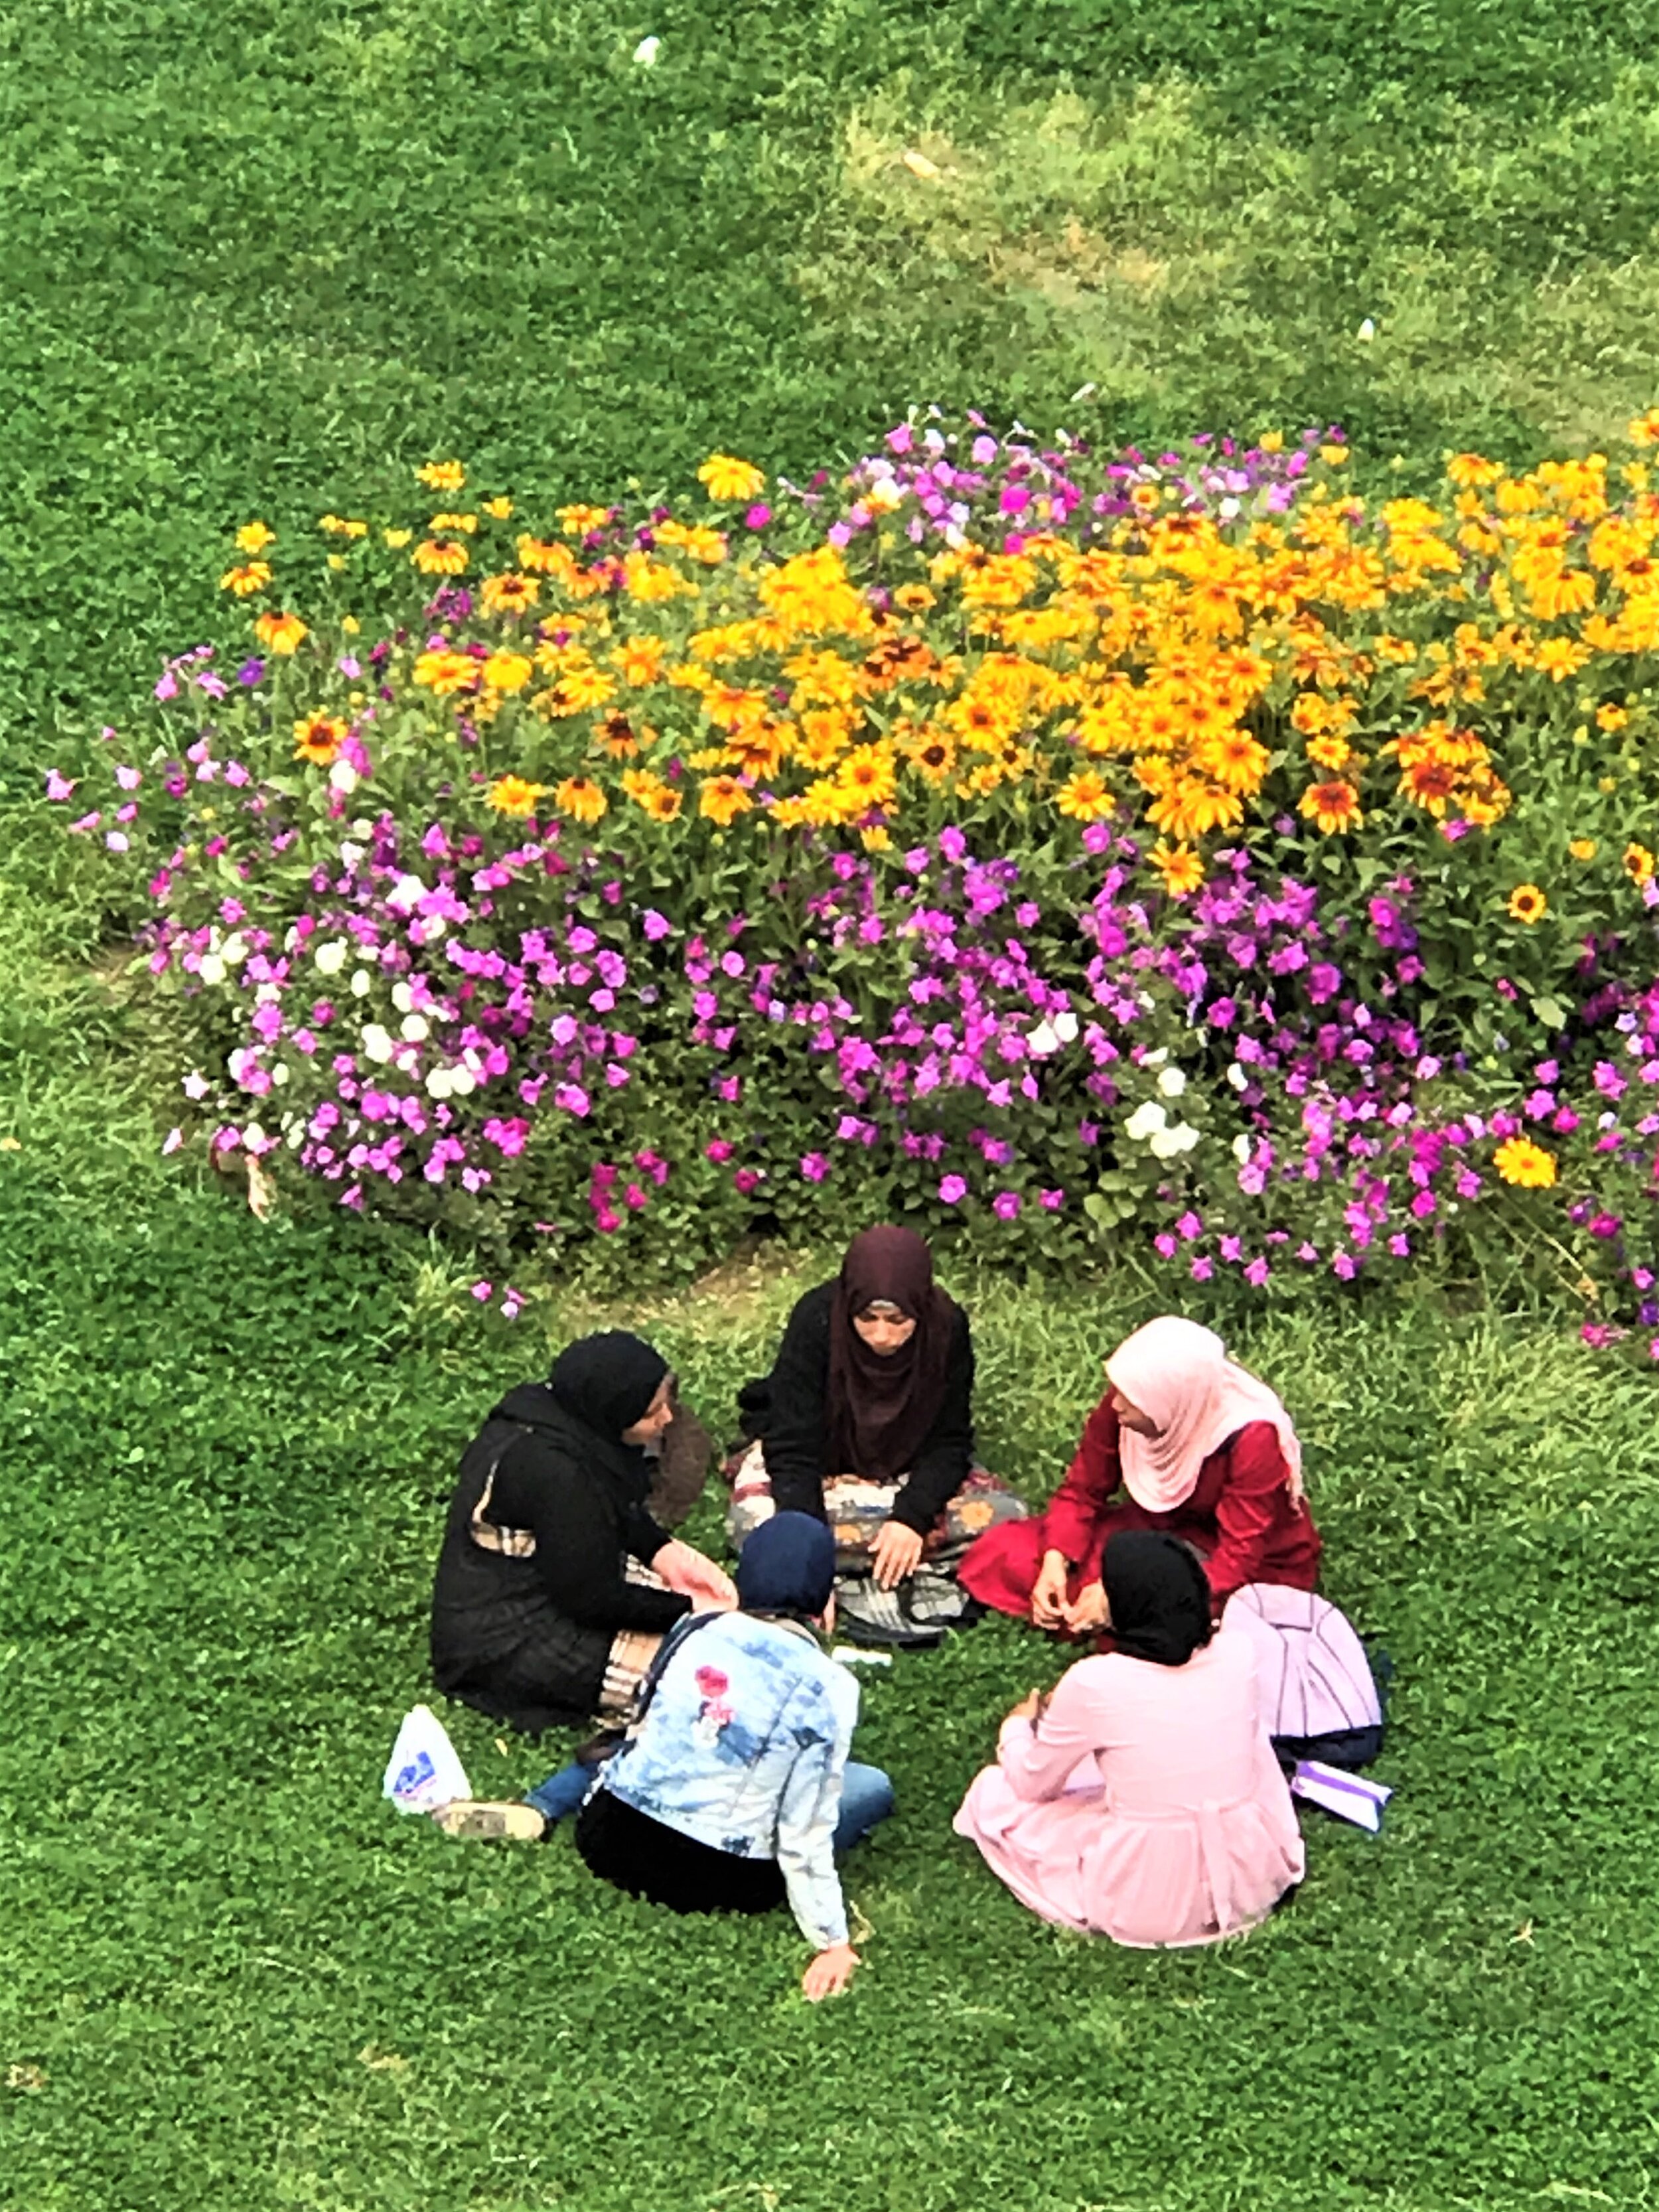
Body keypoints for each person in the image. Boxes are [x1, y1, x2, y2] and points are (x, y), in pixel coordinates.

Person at [439, 1515, 894, 2001]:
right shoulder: (832, 1688)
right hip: (719, 1877)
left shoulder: (695, 1628)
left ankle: (542, 1806)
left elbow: (639, 1724)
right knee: (871, 1786)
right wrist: (832, 1941)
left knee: (623, 1745)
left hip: (608, 1836)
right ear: (823, 1601)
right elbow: (806, 1832)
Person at [954, 1530, 1305, 1946]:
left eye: (1106, 1583)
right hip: (1251, 1874)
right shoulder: (1239, 1652)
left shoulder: (1094, 1682)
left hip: (1148, 1898)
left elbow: (1033, 1784)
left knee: (993, 1793)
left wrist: (1016, 1729)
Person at [429, 1331, 735, 1734]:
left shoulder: (560, 1422)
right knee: (706, 1680)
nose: (667, 1420)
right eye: (651, 1413)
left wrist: (663, 1552)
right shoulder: (556, 1472)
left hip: (551, 1572)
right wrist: (687, 1613)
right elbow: (589, 1599)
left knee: (714, 1639)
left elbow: (609, 1509)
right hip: (508, 1634)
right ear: (611, 1412)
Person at [728, 1226, 1025, 1637]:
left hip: (906, 1468)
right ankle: (888, 1559)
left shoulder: (945, 1328)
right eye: (867, 1318)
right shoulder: (817, 1319)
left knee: (1006, 1519)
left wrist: (910, 1519)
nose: (882, 1336)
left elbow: (949, 1442)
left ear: (919, 1310)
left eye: (898, 1320)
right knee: (755, 1525)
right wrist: (807, 1556)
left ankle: (875, 1554)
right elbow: (793, 1448)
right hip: (822, 1468)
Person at [959, 1315, 1319, 1637]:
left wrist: (1122, 1591)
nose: (1117, 1405)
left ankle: (1128, 1616)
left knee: (1196, 1613)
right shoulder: (1130, 1400)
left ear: (1171, 1402)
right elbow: (1082, 1491)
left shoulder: (1252, 1440)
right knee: (1009, 1553)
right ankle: (1117, 1614)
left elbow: (1238, 1560)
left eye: (1131, 1400)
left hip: (1230, 1558)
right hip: (1155, 1529)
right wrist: (1056, 1560)